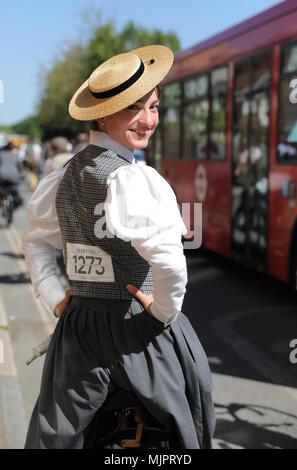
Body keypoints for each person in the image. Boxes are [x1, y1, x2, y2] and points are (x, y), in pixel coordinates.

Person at [22, 45, 215, 449]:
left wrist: (58, 299)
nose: (148, 120)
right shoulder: (133, 179)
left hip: (79, 332)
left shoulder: (62, 175)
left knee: (59, 437)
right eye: (134, 108)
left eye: (154, 107)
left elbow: (36, 244)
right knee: (178, 433)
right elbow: (170, 263)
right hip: (138, 331)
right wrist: (162, 310)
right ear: (103, 113)